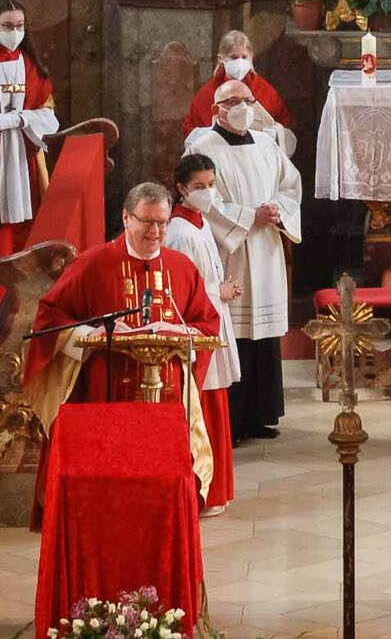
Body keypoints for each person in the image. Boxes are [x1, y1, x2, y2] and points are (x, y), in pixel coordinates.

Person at [22, 182, 222, 515]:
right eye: (147, 221)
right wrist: (91, 332)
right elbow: (48, 319)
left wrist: (179, 330)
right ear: (126, 217)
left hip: (170, 396)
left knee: (165, 489)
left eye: (162, 222)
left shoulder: (181, 268)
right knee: (111, 493)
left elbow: (207, 325)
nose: (155, 231)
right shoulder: (94, 264)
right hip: (109, 391)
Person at [187, 80, 302, 444]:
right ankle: (232, 420)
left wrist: (276, 211)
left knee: (264, 334)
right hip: (230, 249)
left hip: (266, 247)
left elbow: (291, 185)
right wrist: (248, 216)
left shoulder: (267, 144)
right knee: (235, 334)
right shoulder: (202, 147)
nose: (242, 107)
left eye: (247, 101)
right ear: (217, 109)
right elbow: (203, 199)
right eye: (233, 101)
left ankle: (261, 414)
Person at [166, 154, 243, 516]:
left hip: (214, 321)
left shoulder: (199, 224)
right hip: (198, 330)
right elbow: (179, 291)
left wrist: (221, 288)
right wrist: (219, 292)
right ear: (181, 189)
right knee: (203, 410)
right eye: (200, 187)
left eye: (211, 185)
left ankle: (217, 491)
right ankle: (203, 492)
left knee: (216, 405)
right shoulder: (179, 232)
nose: (208, 192)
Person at [0, 0, 59, 256]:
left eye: (20, 26)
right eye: (7, 26)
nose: (14, 32)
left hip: (22, 154)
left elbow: (49, 116)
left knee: (22, 219)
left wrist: (20, 119)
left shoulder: (31, 65)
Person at [182, 30, 295, 156]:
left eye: (244, 57)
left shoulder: (266, 90)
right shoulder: (207, 93)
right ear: (221, 59)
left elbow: (285, 128)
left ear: (251, 57)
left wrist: (271, 134)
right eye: (234, 57)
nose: (240, 62)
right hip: (220, 158)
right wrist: (217, 133)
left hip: (257, 156)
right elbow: (190, 132)